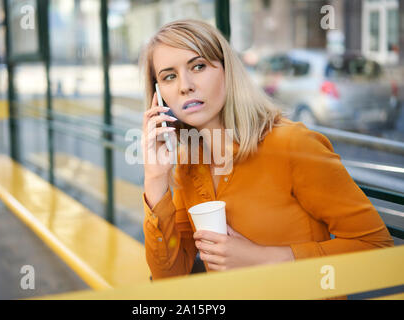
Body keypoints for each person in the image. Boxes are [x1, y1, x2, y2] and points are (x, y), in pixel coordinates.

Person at [140, 19, 393, 281]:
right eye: (169, 76)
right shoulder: (187, 162)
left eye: (199, 66)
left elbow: (377, 249)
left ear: (228, 71)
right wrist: (156, 179)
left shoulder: (292, 144)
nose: (185, 85)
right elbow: (169, 276)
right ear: (159, 95)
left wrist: (264, 258)